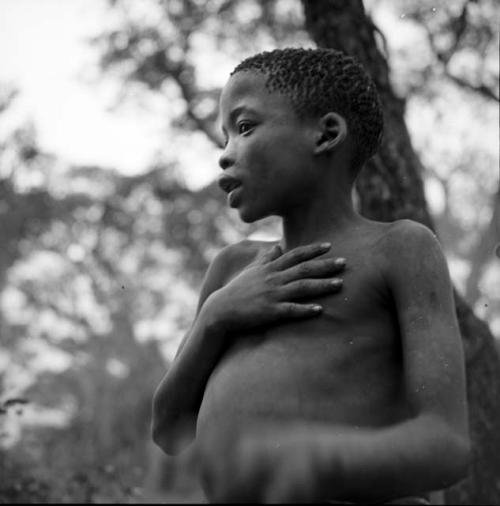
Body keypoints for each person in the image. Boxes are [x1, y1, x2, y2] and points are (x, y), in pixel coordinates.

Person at [151, 48, 470, 503]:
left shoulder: (399, 248)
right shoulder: (231, 270)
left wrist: (298, 462)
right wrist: (213, 319)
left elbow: (446, 446)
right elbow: (169, 430)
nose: (225, 156)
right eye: (225, 137)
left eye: (244, 128)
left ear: (326, 134)